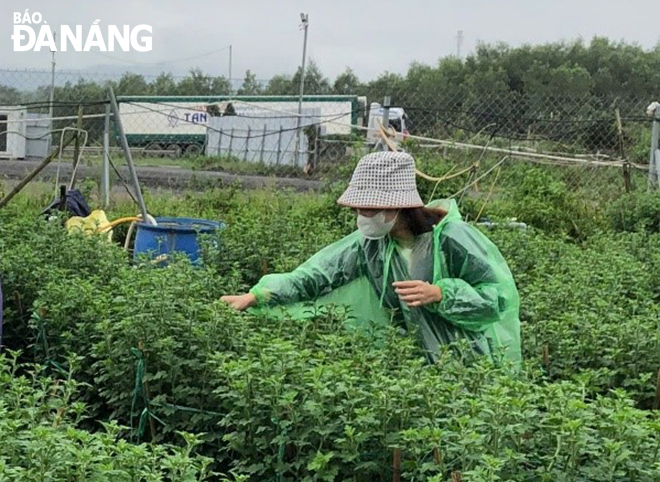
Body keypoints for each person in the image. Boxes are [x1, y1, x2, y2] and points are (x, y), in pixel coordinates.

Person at [221, 151, 520, 365]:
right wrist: (258, 295)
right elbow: (318, 275)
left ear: (397, 207)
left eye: (367, 208)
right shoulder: (372, 246)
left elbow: (499, 298)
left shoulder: (453, 238)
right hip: (413, 366)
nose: (361, 217)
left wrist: (442, 293)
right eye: (358, 209)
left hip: (471, 366)